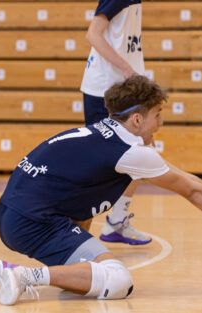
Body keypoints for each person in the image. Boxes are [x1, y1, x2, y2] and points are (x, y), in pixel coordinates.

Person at [0, 76, 202, 305]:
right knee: (119, 281)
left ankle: (68, 275)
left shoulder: (102, 134)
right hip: (33, 223)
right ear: (137, 119)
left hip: (12, 213)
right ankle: (24, 276)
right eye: (157, 115)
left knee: (92, 275)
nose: (160, 123)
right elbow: (192, 190)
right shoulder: (130, 152)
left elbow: (78, 199)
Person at [80, 0, 149, 245]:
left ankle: (117, 222)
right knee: (101, 165)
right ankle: (77, 229)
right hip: (104, 92)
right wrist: (127, 69)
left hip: (124, 89)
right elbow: (93, 34)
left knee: (142, 153)